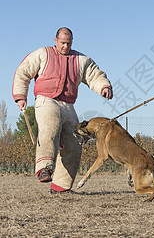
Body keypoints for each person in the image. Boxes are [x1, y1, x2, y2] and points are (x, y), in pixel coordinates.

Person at [12, 27, 113, 194]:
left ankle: (61, 186)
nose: (65, 46)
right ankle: (44, 168)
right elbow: (23, 72)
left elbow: (94, 75)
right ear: (55, 40)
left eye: (68, 43)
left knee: (75, 142)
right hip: (46, 100)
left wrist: (103, 86)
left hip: (68, 105)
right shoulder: (42, 54)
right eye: (62, 43)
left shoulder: (81, 59)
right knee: (50, 126)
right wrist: (21, 96)